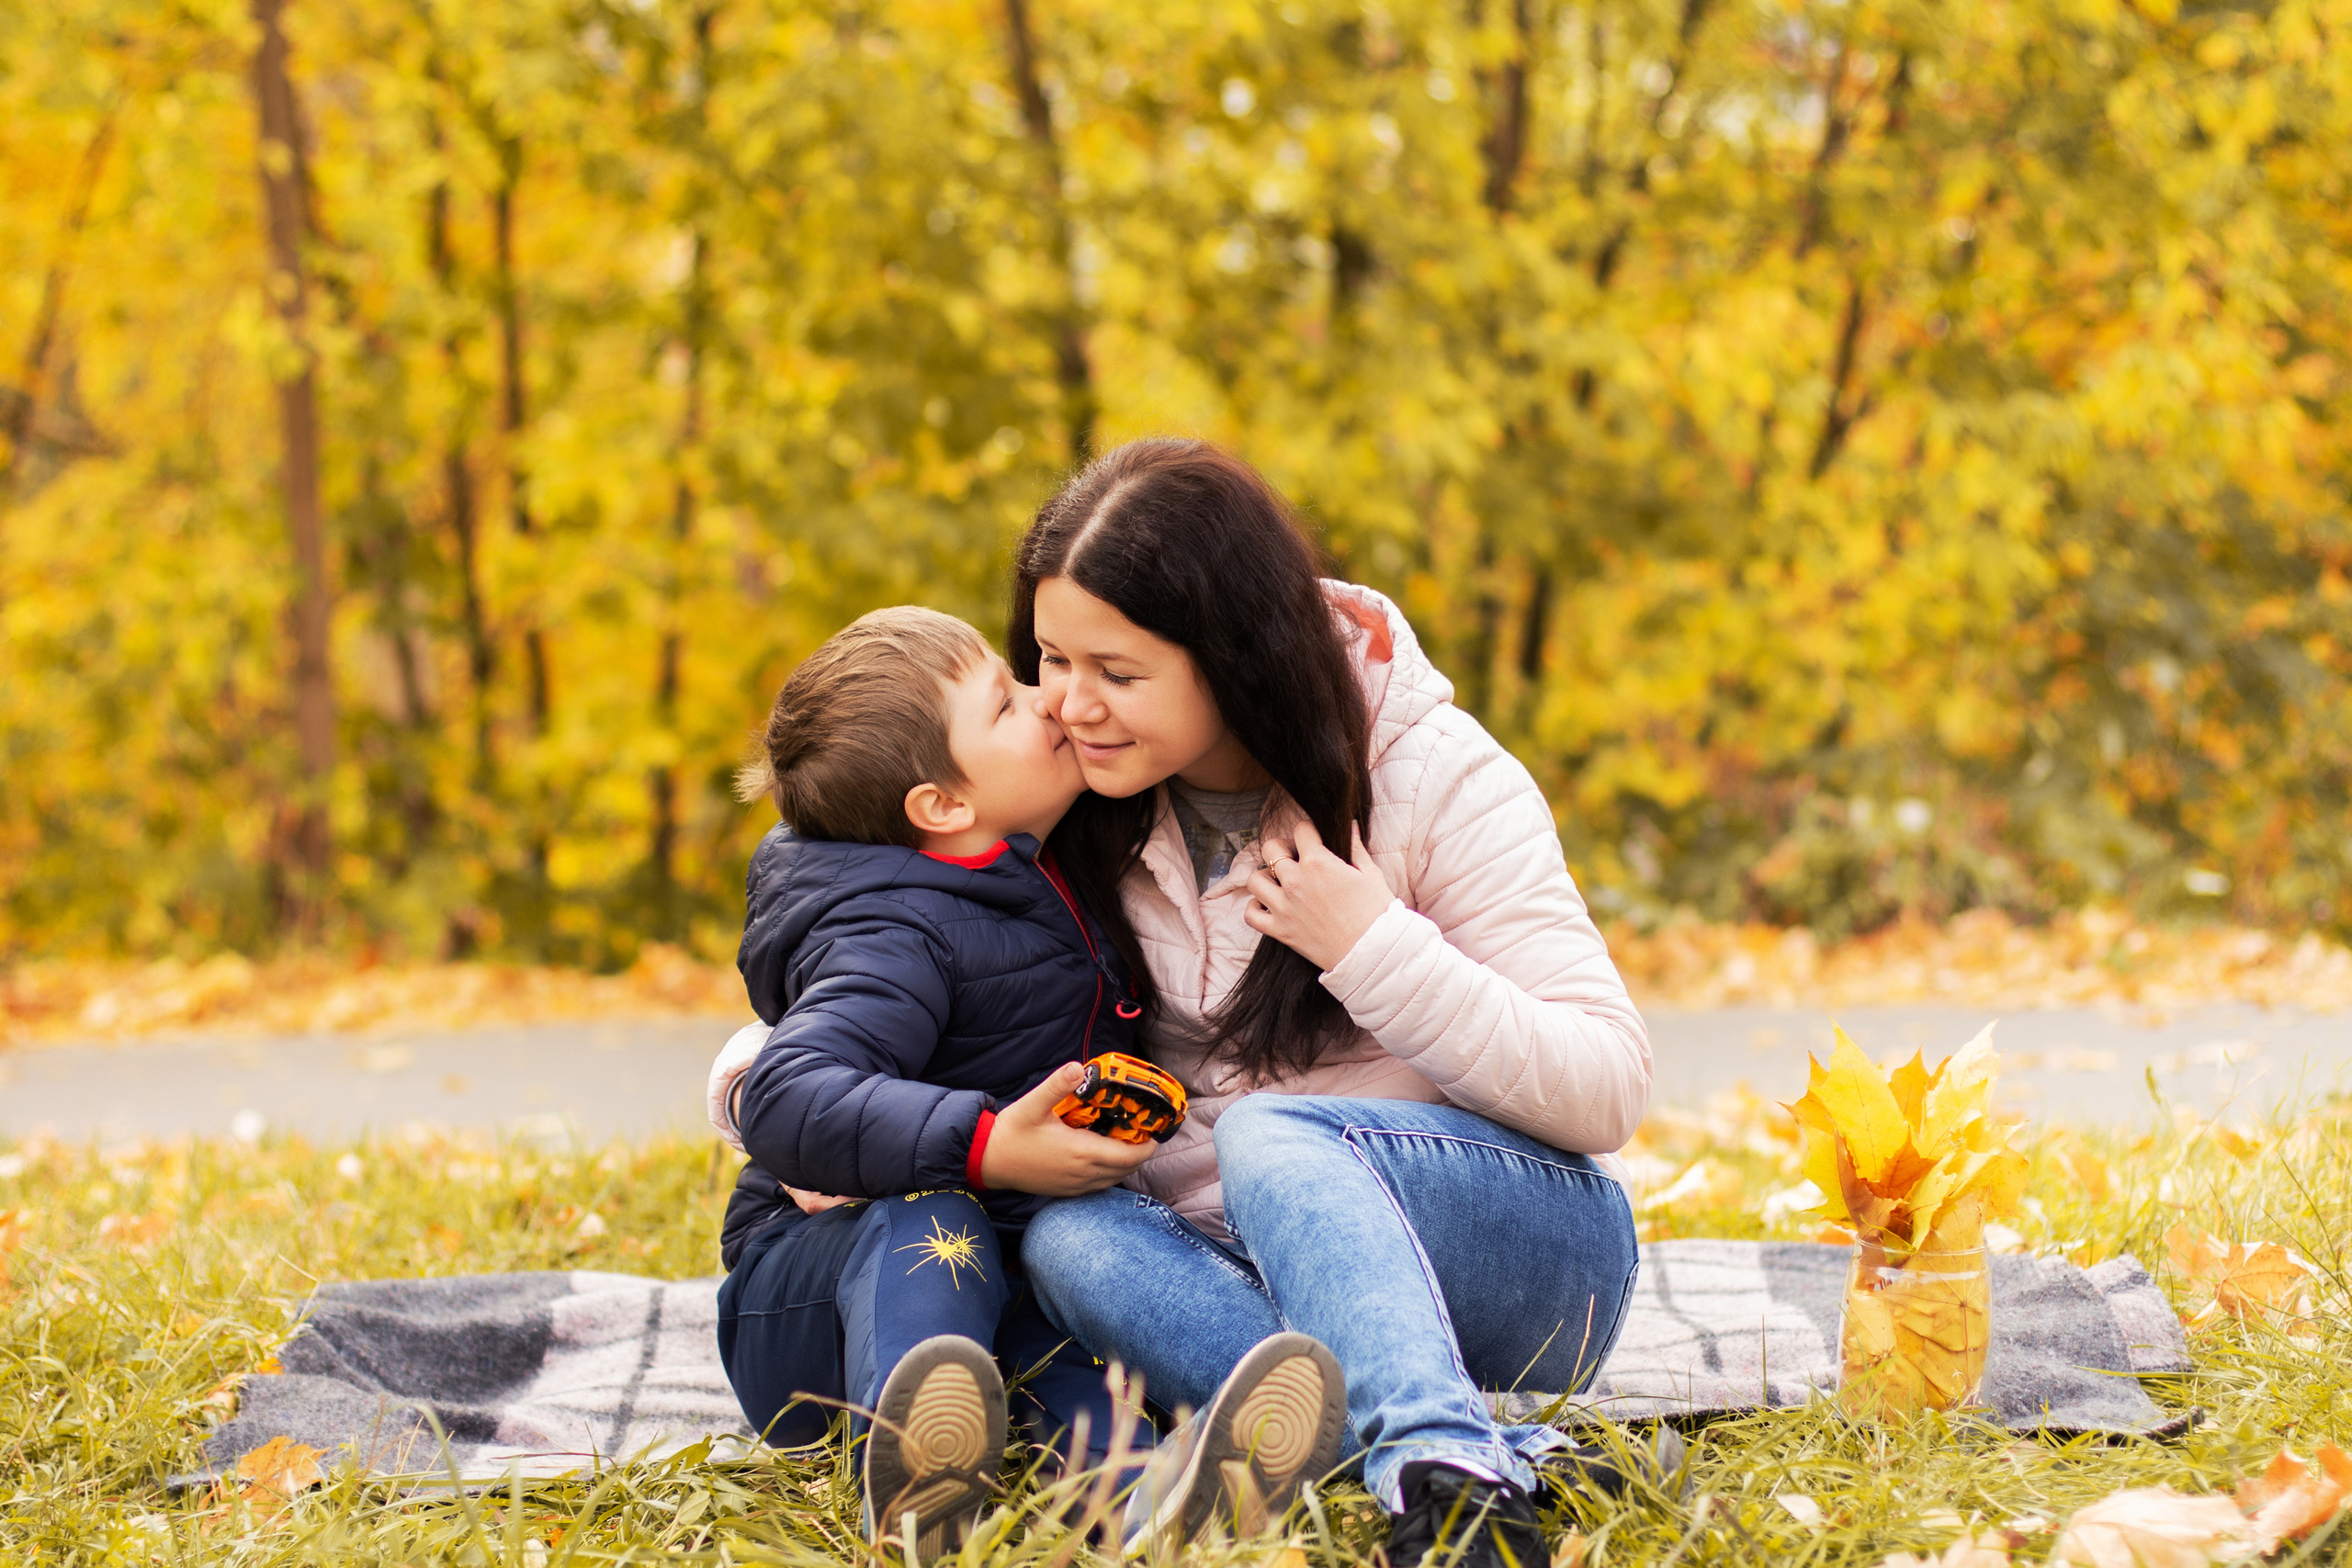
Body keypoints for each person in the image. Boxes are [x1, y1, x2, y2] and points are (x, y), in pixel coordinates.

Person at [1006, 440, 1668, 1567]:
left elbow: (1605, 1087)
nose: (1071, 704)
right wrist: (760, 1089)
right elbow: (880, 941)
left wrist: (1370, 946)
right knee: (1069, 1238)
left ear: (1231, 657)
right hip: (1238, 1265)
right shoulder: (1069, 788)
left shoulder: (1432, 773)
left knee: (1273, 1133)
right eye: (1051, 658)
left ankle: (1449, 1489)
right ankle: (1481, 1450)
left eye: (1117, 672)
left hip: (1515, 1251)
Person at [702, 605, 1346, 1562]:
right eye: (1004, 704)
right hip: (817, 1305)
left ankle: (1145, 1505)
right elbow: (788, 1094)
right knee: (938, 1222)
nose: (1047, 701)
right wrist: (991, 1145)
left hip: (999, 1279)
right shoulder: (894, 930)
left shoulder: (1022, 875)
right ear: (941, 807)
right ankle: (913, 1472)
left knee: (1068, 1336)